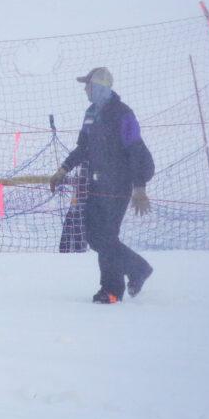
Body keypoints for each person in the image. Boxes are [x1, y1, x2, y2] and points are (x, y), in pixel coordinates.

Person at [49, 67, 154, 303]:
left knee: (106, 237)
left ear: (98, 87)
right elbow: (83, 148)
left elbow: (135, 149)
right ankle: (137, 268)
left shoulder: (123, 113)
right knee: (96, 237)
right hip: (96, 183)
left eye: (88, 85)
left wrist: (140, 188)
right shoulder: (91, 113)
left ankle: (112, 290)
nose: (85, 89)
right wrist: (63, 169)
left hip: (119, 185)